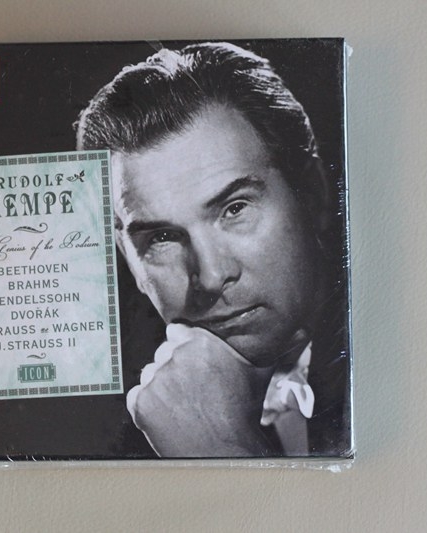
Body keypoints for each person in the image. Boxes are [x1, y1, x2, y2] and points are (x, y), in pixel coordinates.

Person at [76, 42, 351, 458]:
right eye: (161, 238)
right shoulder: (139, 425)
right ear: (129, 259)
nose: (209, 277)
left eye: (234, 209)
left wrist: (225, 446)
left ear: (312, 194)